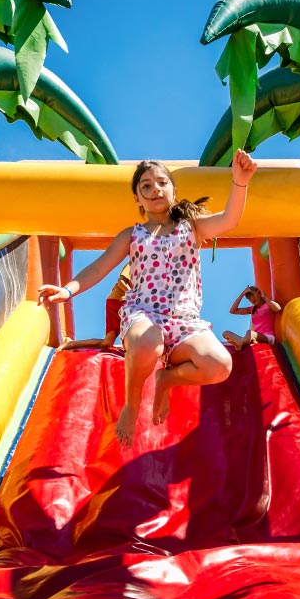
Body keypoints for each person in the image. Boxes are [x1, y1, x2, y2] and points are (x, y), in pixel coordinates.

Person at [39, 150, 258, 445]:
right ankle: (131, 404)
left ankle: (166, 379)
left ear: (173, 190)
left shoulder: (192, 228)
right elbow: (99, 267)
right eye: (146, 186)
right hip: (143, 312)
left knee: (219, 365)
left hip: (184, 321)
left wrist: (240, 182)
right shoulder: (133, 235)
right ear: (138, 199)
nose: (155, 189)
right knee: (147, 344)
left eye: (161, 182)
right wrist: (67, 290)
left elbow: (230, 219)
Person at [59, 265, 131, 350]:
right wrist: (134, 295)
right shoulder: (133, 263)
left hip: (123, 300)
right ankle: (71, 344)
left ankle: (72, 344)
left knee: (107, 342)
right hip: (119, 300)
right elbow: (121, 281)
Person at [222, 285, 281, 350]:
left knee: (249, 333)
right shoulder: (252, 309)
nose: (251, 299)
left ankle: (241, 342)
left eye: (252, 295)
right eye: (249, 298)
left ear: (258, 293)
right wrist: (242, 294)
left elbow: (278, 309)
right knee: (226, 333)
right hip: (252, 336)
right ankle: (246, 341)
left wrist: (265, 297)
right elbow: (233, 311)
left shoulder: (268, 305)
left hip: (267, 337)